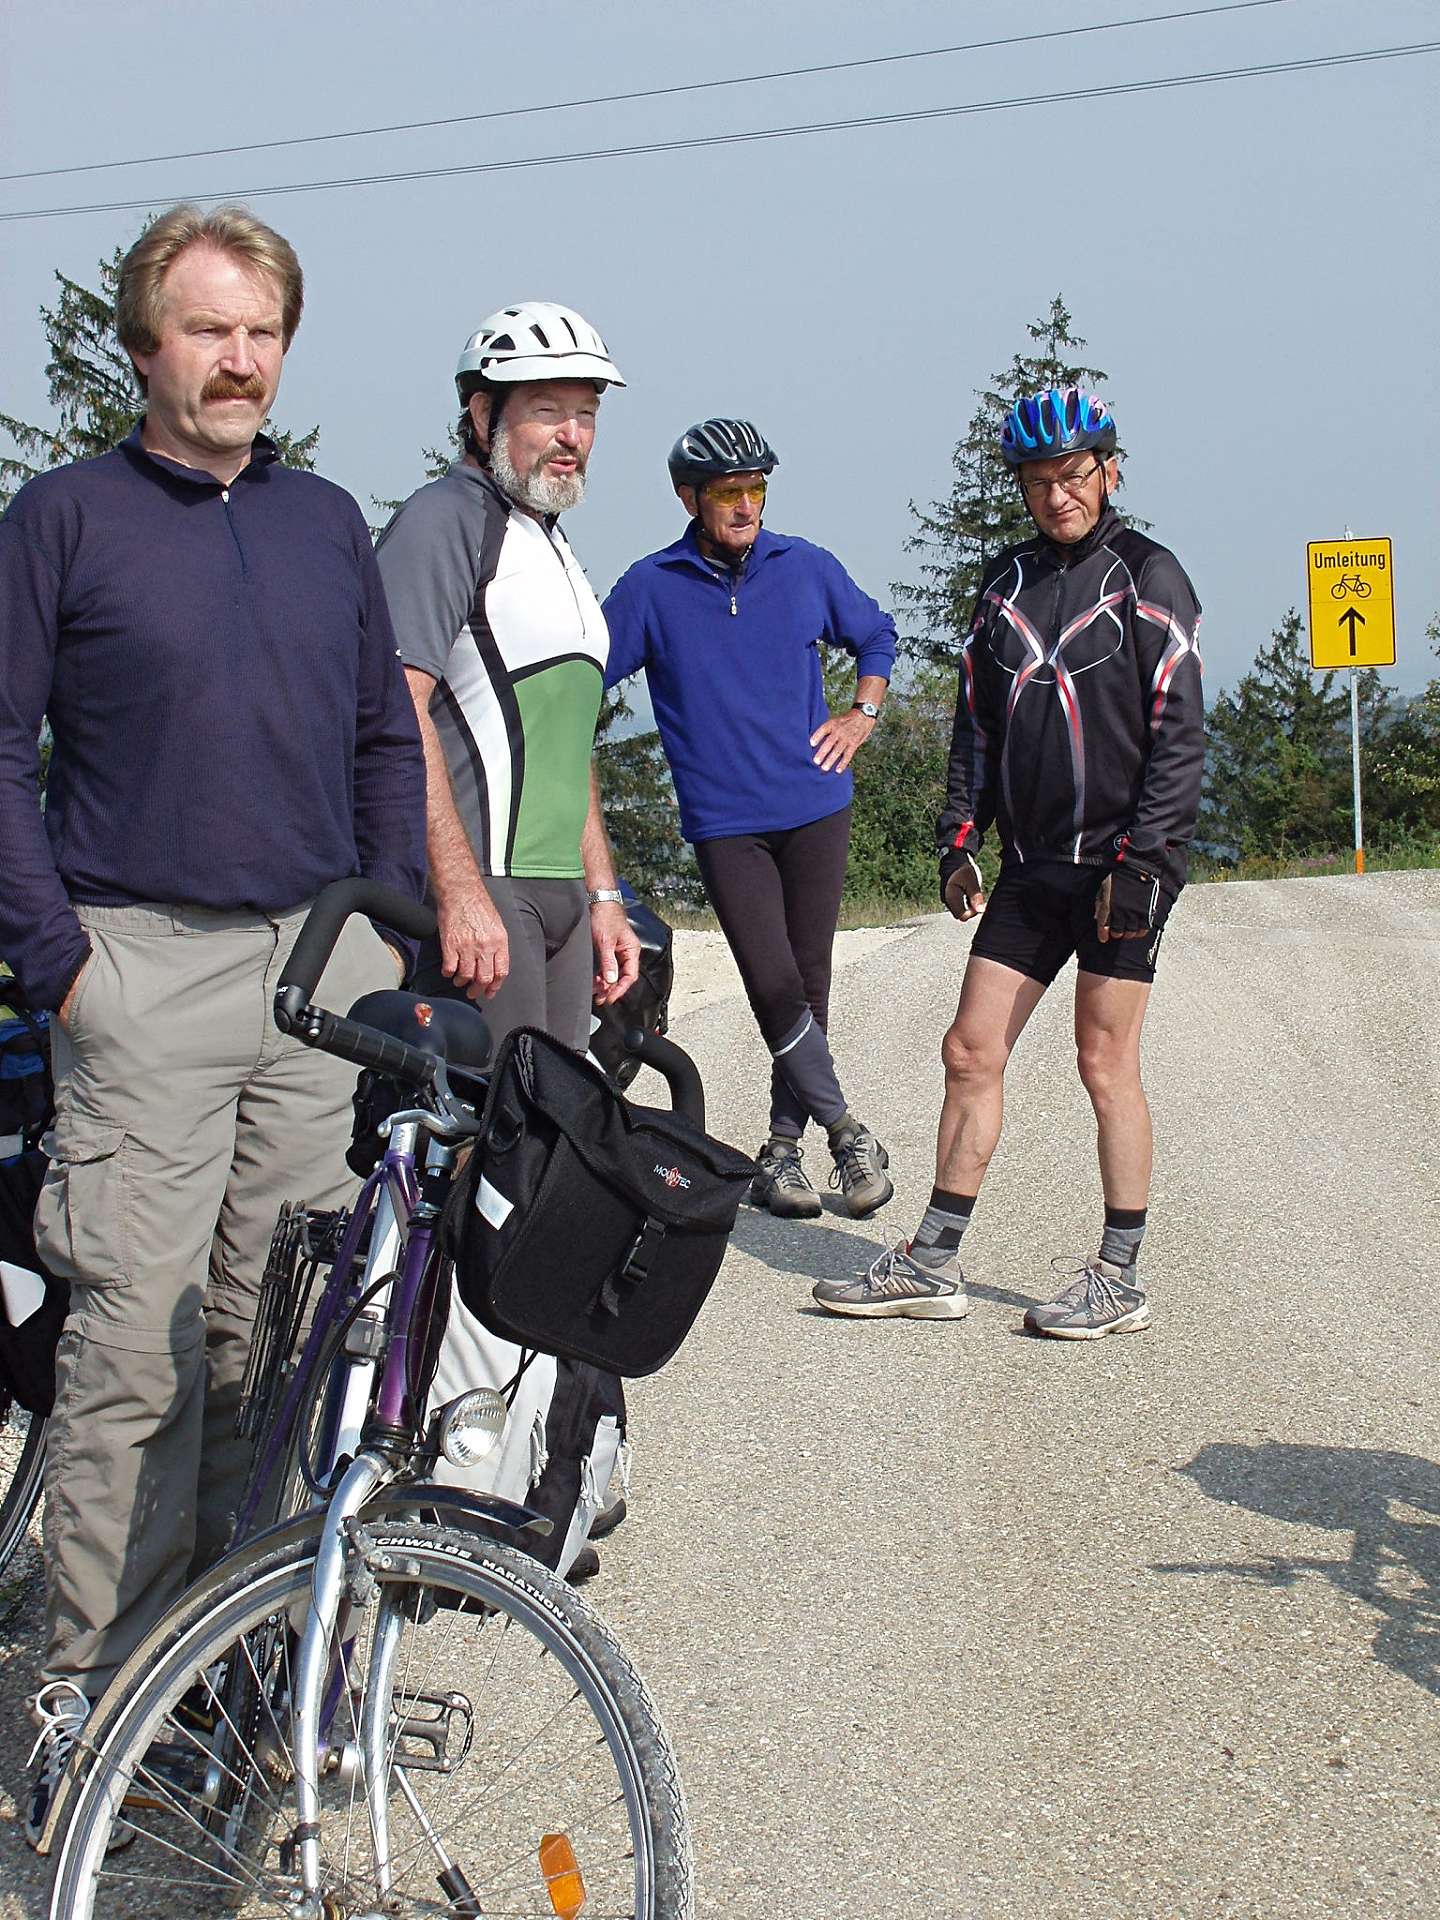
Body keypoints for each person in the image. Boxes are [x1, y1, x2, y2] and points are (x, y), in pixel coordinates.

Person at [0, 203, 426, 1842]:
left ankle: (222, 1697)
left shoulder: (324, 523)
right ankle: (86, 1711)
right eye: (208, 330)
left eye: (262, 333)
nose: (240, 360)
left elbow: (380, 739)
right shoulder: (64, 518)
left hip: (312, 983)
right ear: (145, 349)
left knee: (270, 1355)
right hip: (139, 971)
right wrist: (61, 964)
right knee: (135, 1357)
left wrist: (388, 920)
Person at [813, 387, 1203, 1334]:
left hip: (1121, 867)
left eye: (1072, 474)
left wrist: (1145, 865)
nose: (1057, 495)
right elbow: (977, 725)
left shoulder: (1150, 576)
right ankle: (932, 1262)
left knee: (1104, 1062)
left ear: (1109, 471)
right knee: (970, 1049)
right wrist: (960, 835)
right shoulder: (1005, 583)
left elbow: (1179, 735)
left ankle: (1119, 1277)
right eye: (1037, 481)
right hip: (1033, 866)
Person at [374, 303, 639, 1582]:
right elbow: (401, 712)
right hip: (480, 904)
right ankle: (454, 1461)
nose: (570, 434)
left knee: (546, 1177)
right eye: (545, 410)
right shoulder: (448, 521)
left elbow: (566, 743)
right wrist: (457, 888)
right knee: (485, 1174)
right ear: (481, 413)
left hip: (553, 904)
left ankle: (536, 1443)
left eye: (584, 412)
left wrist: (604, 892)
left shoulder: (555, 546)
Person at [603, 417, 897, 1220]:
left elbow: (875, 634)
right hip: (726, 821)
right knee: (771, 981)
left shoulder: (804, 566)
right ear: (689, 499)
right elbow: (583, 674)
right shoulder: (651, 587)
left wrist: (862, 715)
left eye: (756, 488)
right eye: (729, 491)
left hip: (817, 805)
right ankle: (846, 1132)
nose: (746, 505)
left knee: (808, 982)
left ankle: (781, 1152)